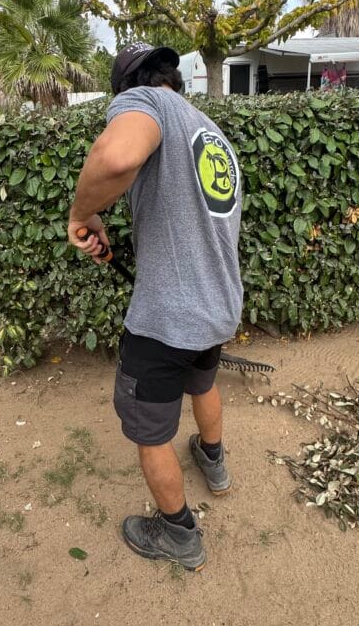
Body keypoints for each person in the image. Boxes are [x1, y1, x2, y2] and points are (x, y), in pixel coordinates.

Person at [67, 42, 243, 571]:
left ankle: (178, 536)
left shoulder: (143, 101)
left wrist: (81, 211)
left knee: (150, 430)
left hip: (166, 319)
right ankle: (214, 465)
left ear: (132, 86)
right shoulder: (211, 132)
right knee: (203, 382)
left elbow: (117, 156)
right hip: (219, 307)